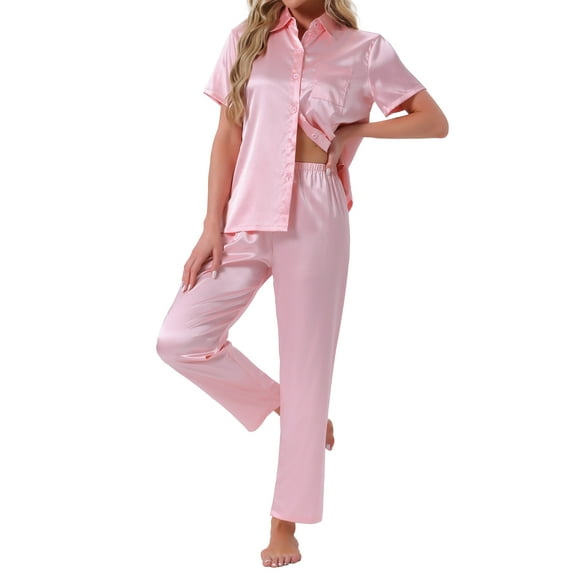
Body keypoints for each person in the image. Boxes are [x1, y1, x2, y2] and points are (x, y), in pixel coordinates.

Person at [156, 0, 448, 567]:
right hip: (244, 214)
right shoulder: (246, 38)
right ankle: (289, 406)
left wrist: (359, 129)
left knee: (308, 368)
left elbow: (433, 121)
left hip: (316, 210)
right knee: (180, 338)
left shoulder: (365, 49)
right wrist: (211, 225)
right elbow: (227, 134)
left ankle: (284, 524)